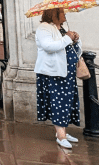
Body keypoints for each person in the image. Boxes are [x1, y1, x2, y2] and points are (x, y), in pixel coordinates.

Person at [34, 8, 82, 149]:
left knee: (66, 102)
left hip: (67, 72)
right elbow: (48, 46)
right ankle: (61, 136)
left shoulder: (63, 27)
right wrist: (68, 38)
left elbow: (69, 47)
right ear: (53, 14)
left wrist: (76, 39)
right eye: (62, 13)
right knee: (58, 103)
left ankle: (63, 133)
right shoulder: (44, 28)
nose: (65, 15)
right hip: (53, 72)